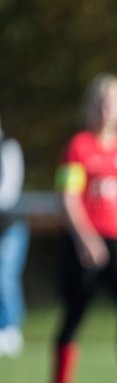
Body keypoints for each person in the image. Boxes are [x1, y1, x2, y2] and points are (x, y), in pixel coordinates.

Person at [48, 75, 117, 383]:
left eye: (113, 102)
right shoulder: (78, 147)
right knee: (74, 312)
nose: (105, 110)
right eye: (99, 103)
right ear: (88, 107)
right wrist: (85, 238)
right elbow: (68, 196)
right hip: (84, 244)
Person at [0, 112, 27, 357]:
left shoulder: (8, 146)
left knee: (5, 279)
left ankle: (11, 331)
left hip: (8, 226)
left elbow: (8, 192)